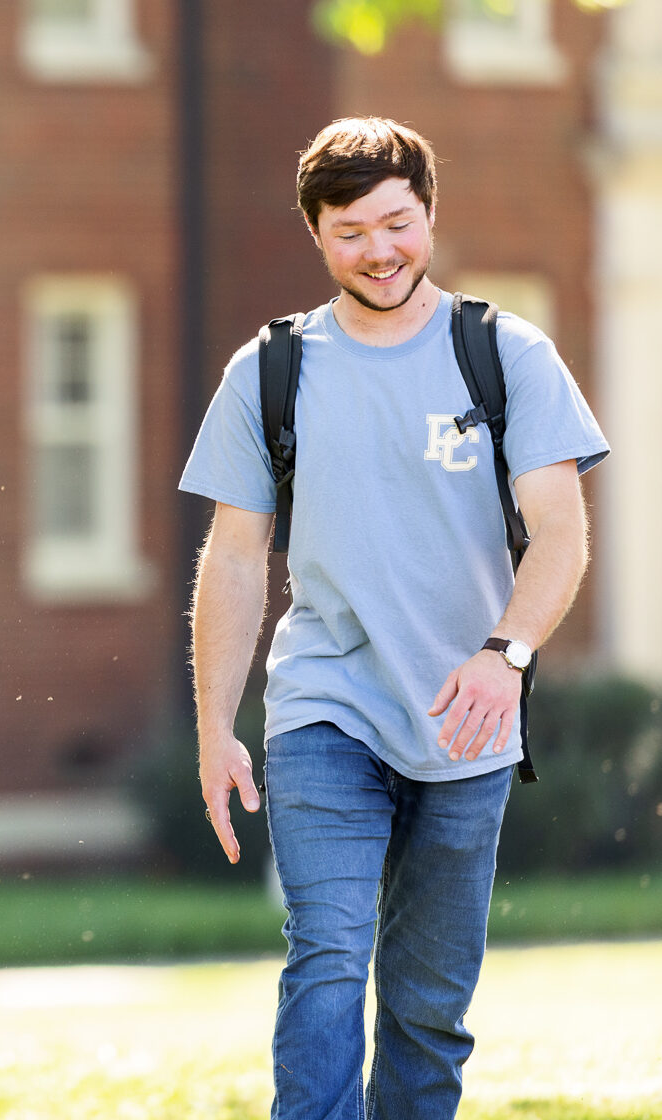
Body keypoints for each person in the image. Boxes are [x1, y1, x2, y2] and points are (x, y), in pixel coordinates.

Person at [181, 118, 608, 1119]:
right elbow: (235, 557)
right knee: (326, 957)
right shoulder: (270, 369)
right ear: (315, 237)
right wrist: (213, 727)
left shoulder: (501, 353)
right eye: (349, 231)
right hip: (322, 706)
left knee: (425, 1004)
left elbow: (558, 532)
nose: (378, 250)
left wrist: (504, 656)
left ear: (427, 214)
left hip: (468, 721)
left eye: (395, 224)